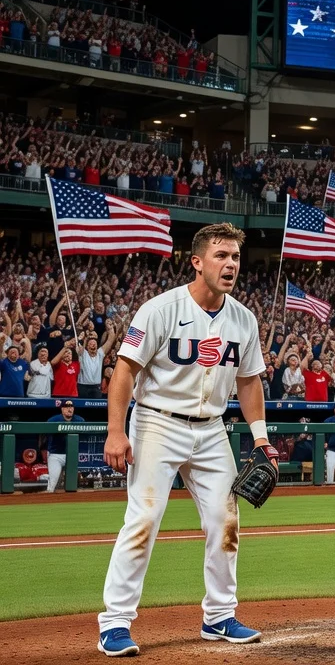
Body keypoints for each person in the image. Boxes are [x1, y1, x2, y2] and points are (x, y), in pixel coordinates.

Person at [97, 223, 271, 655]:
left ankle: (219, 616)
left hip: (212, 429)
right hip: (157, 422)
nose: (230, 264)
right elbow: (124, 370)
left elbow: (249, 382)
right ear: (197, 262)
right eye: (221, 256)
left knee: (225, 521)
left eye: (235, 257)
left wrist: (261, 439)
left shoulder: (243, 318)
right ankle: (115, 624)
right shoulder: (160, 309)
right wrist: (116, 431)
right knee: (143, 520)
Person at [44, 400, 85, 493]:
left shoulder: (80, 420)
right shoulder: (53, 420)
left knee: (73, 483)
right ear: (62, 409)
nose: (69, 409)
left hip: (71, 455)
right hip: (55, 455)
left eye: (71, 406)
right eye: (66, 407)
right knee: (53, 483)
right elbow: (44, 435)